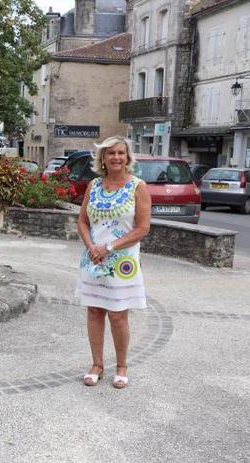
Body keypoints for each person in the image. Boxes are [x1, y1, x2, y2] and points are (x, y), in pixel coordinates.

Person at [75, 135, 151, 389]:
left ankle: (121, 366)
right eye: (111, 153)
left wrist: (109, 247)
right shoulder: (94, 185)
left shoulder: (137, 186)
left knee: (118, 316)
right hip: (94, 260)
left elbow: (142, 228)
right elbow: (83, 221)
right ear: (103, 158)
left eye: (121, 153)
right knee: (95, 311)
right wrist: (91, 248)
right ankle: (96, 364)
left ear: (127, 157)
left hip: (122, 262)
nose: (116, 157)